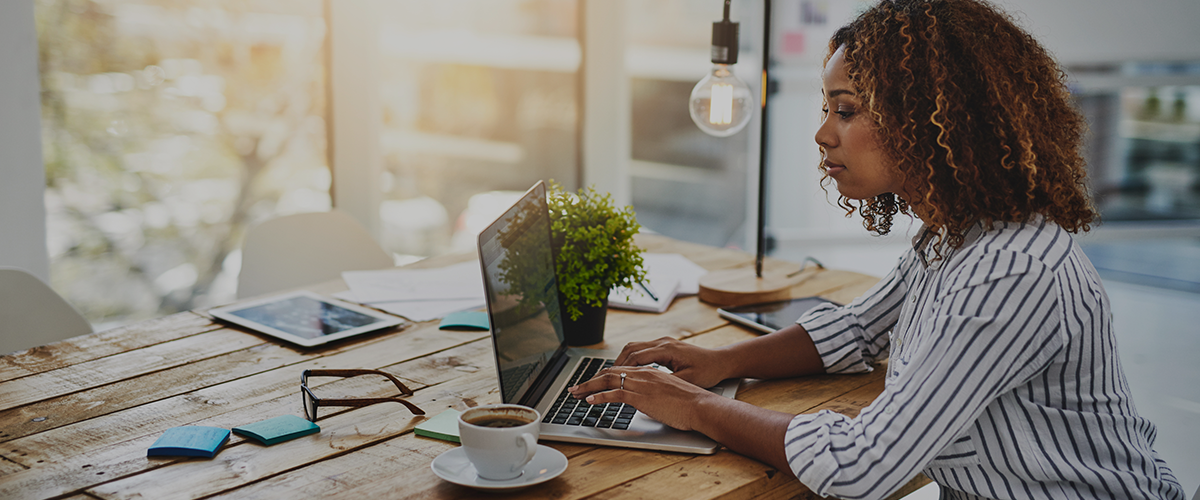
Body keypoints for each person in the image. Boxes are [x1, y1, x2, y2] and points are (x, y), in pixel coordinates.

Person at [568, 0, 1186, 498]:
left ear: (931, 119)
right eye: (826, 108)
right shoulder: (954, 234)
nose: (822, 133)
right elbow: (858, 330)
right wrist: (720, 362)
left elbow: (861, 466)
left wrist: (694, 408)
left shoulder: (1009, 272)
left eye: (846, 110)